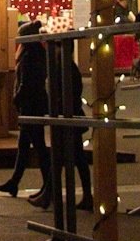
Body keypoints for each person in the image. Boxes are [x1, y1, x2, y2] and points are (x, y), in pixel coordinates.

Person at [30, 50, 93, 212]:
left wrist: (58, 107)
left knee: (61, 157)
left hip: (67, 118)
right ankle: (55, 194)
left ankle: (50, 195)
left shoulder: (65, 68)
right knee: (73, 158)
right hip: (69, 117)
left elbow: (68, 92)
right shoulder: (66, 67)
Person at [0, 19, 50, 197]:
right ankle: (15, 182)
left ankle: (49, 185)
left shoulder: (29, 57)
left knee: (37, 146)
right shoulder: (37, 54)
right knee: (26, 145)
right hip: (33, 103)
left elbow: (26, 83)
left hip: (30, 105)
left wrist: (17, 98)